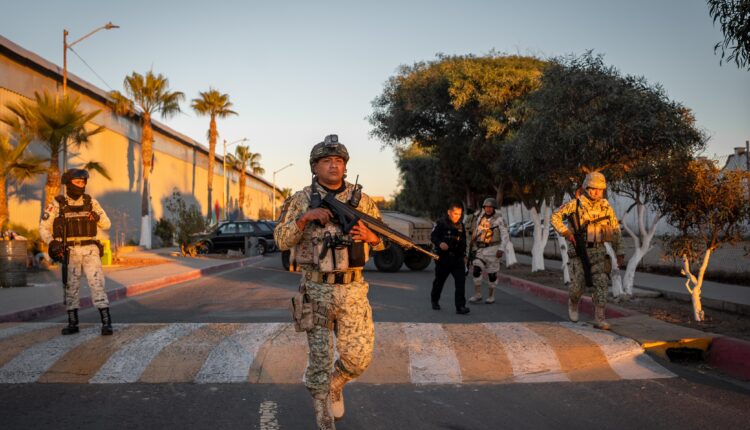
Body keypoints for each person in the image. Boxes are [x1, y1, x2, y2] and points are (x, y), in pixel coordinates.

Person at [274, 134, 384, 430]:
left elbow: (383, 240)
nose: (333, 166)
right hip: (316, 290)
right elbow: (282, 241)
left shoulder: (363, 201)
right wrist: (304, 219)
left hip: (353, 289)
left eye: (338, 161)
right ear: (315, 167)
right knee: (319, 360)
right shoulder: (300, 200)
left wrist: (373, 238)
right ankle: (323, 411)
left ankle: (337, 384)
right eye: (327, 161)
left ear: (345, 166)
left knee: (359, 358)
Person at [39, 169, 113, 336]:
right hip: (70, 251)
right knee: (71, 287)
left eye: (83, 182)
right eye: (78, 182)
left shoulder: (91, 202)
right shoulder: (57, 204)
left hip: (90, 250)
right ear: (68, 183)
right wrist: (52, 242)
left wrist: (97, 217)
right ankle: (73, 323)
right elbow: (43, 228)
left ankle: (106, 322)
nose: (82, 185)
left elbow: (107, 224)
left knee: (97, 284)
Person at [550, 172, 624, 330]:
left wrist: (620, 252)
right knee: (577, 285)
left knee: (602, 284)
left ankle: (599, 317)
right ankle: (573, 302)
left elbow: (615, 229)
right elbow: (555, 217)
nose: (597, 192)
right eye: (593, 189)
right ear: (586, 188)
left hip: (599, 252)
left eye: (600, 189)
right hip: (579, 252)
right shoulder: (575, 204)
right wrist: (566, 233)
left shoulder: (606, 206)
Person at [430, 201, 471, 315]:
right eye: (455, 213)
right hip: (444, 258)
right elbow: (433, 236)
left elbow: (463, 242)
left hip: (457, 259)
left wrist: (464, 256)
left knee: (460, 282)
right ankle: (435, 300)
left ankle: (460, 306)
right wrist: (440, 243)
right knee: (439, 281)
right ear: (449, 212)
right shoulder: (441, 223)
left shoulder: (461, 225)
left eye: (459, 214)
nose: (457, 216)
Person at [467, 197, 509, 304]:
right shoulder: (481, 218)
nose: (488, 209)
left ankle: (491, 296)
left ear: (494, 208)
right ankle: (477, 295)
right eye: (486, 207)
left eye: (490, 207)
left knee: (492, 275)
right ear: (484, 208)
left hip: (494, 249)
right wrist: (472, 242)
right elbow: (477, 231)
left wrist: (501, 249)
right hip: (481, 249)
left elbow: (505, 235)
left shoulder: (499, 220)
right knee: (476, 270)